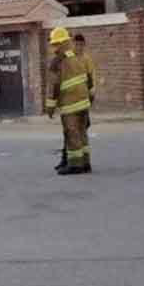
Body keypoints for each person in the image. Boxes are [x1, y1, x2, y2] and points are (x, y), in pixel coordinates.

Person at [45, 27, 93, 175]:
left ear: (60, 43)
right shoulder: (76, 57)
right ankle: (85, 163)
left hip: (70, 105)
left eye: (55, 44)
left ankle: (75, 165)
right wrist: (89, 98)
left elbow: (53, 86)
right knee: (82, 133)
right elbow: (88, 78)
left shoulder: (57, 62)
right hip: (83, 103)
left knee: (72, 134)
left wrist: (50, 107)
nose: (54, 47)